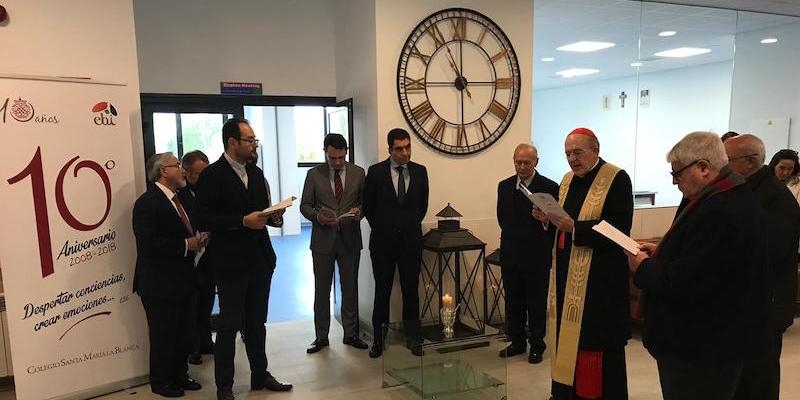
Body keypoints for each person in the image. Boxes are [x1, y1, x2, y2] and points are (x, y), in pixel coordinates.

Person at [627, 131, 768, 400]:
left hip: (701, 346)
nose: (675, 182)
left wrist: (643, 266)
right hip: (716, 340)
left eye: (677, 173)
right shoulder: (731, 196)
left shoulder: (719, 209)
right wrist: (664, 250)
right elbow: (710, 260)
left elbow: (687, 283)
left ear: (703, 167)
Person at [195, 118, 292, 400]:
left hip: (260, 260)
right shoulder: (213, 176)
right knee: (228, 326)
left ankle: (259, 375)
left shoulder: (256, 171)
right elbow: (203, 218)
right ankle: (224, 385)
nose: (254, 145)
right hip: (230, 263)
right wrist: (240, 221)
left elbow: (261, 214)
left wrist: (275, 216)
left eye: (254, 140)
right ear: (232, 142)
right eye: (249, 140)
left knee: (256, 323)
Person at [534, 127, 633, 400]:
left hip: (599, 282)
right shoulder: (566, 181)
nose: (572, 159)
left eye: (578, 152)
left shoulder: (616, 178)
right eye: (567, 153)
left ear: (595, 150)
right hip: (566, 277)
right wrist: (547, 219)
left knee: (593, 343)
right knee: (565, 340)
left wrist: (574, 227)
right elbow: (562, 224)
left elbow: (619, 230)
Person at [724, 135, 799, 400]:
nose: (722, 165)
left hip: (767, 305)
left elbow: (767, 253)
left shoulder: (776, 197)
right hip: (746, 304)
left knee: (758, 379)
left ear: (749, 162)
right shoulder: (745, 188)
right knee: (740, 378)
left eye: (727, 159)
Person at [133, 152, 205, 398]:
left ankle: (180, 374)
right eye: (177, 166)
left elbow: (189, 227)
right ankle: (161, 381)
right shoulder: (147, 202)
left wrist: (199, 238)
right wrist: (187, 245)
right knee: (164, 334)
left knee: (184, 331)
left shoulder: (181, 198)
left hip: (184, 278)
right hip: (159, 283)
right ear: (163, 171)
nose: (183, 171)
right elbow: (148, 245)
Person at [300, 133, 369, 353]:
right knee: (322, 290)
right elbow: (305, 205)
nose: (337, 162)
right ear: (325, 153)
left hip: (350, 239)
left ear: (346, 152)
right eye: (332, 158)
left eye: (341, 157)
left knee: (350, 289)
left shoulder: (359, 173)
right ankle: (321, 337)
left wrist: (360, 211)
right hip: (322, 241)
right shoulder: (313, 175)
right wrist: (318, 216)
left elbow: (364, 202)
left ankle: (351, 334)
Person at [363, 128, 429, 358]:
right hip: (382, 242)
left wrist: (407, 226)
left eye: (408, 147)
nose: (405, 153)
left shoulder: (420, 172)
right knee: (382, 291)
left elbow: (422, 206)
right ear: (390, 149)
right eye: (399, 148)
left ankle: (414, 338)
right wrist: (385, 227)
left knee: (412, 291)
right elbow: (368, 207)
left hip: (411, 241)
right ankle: (378, 341)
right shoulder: (375, 172)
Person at [496, 143, 558, 364]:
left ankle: (537, 346)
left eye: (526, 163)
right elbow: (502, 219)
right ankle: (517, 341)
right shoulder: (504, 186)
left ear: (536, 163)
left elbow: (557, 223)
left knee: (536, 303)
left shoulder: (549, 187)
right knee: (513, 302)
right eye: (517, 162)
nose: (521, 167)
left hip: (536, 256)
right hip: (511, 254)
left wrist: (545, 222)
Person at [177, 150, 214, 365]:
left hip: (208, 252)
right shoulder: (179, 195)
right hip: (188, 255)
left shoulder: (211, 189)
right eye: (199, 174)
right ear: (187, 173)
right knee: (192, 303)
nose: (203, 178)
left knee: (208, 298)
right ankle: (193, 347)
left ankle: (206, 341)